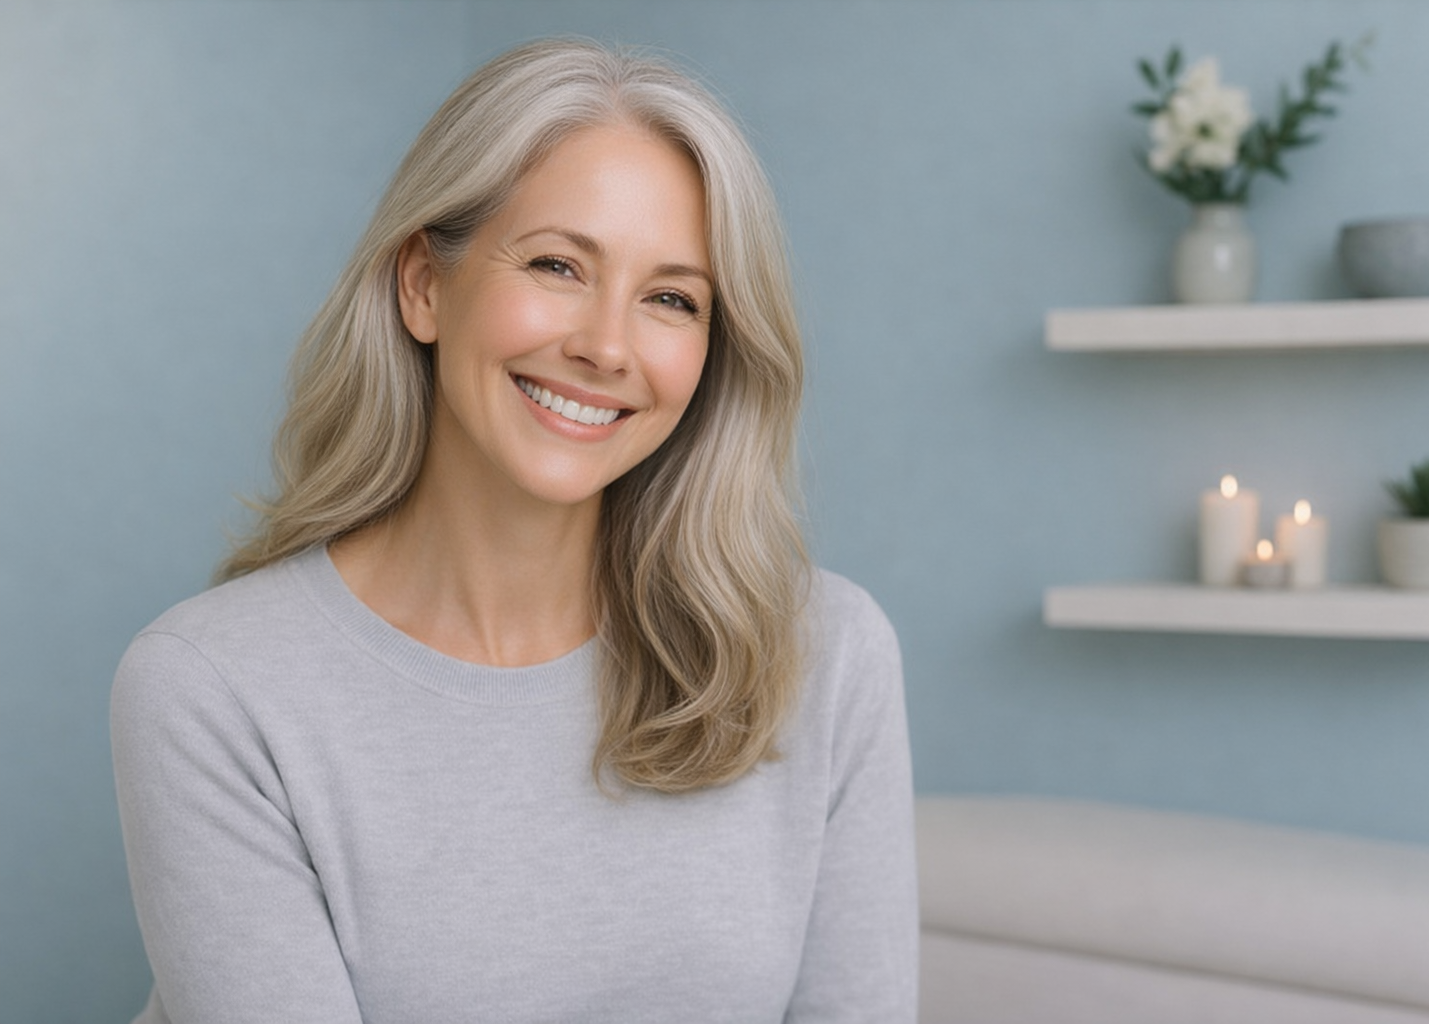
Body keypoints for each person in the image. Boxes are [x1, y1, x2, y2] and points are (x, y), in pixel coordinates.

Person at [110, 37, 917, 1024]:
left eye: (671, 298)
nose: (606, 346)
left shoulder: (828, 655)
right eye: (556, 264)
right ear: (423, 285)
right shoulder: (214, 686)